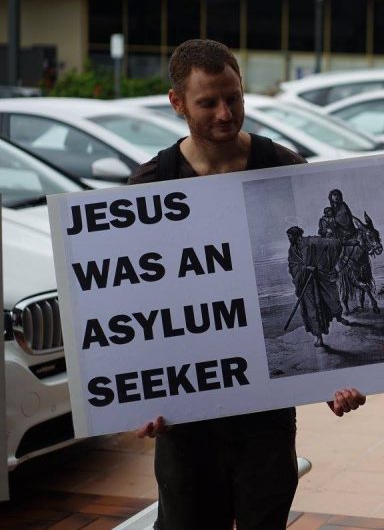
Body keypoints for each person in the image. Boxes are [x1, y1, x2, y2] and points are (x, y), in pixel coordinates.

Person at [129, 39, 365, 530]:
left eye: (233, 98)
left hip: (265, 418)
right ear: (177, 104)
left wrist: (334, 382)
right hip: (185, 413)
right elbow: (134, 306)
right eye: (208, 102)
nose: (224, 112)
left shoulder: (282, 166)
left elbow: (325, 255)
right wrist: (139, 400)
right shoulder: (151, 185)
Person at [286, 226, 343, 347]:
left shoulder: (311, 241)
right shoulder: (292, 250)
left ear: (296, 235)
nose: (289, 239)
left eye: (290, 237)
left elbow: (331, 243)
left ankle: (338, 316)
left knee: (324, 305)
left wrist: (330, 237)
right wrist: (305, 268)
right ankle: (318, 336)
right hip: (305, 284)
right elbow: (292, 266)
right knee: (311, 311)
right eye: (288, 237)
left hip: (318, 281)